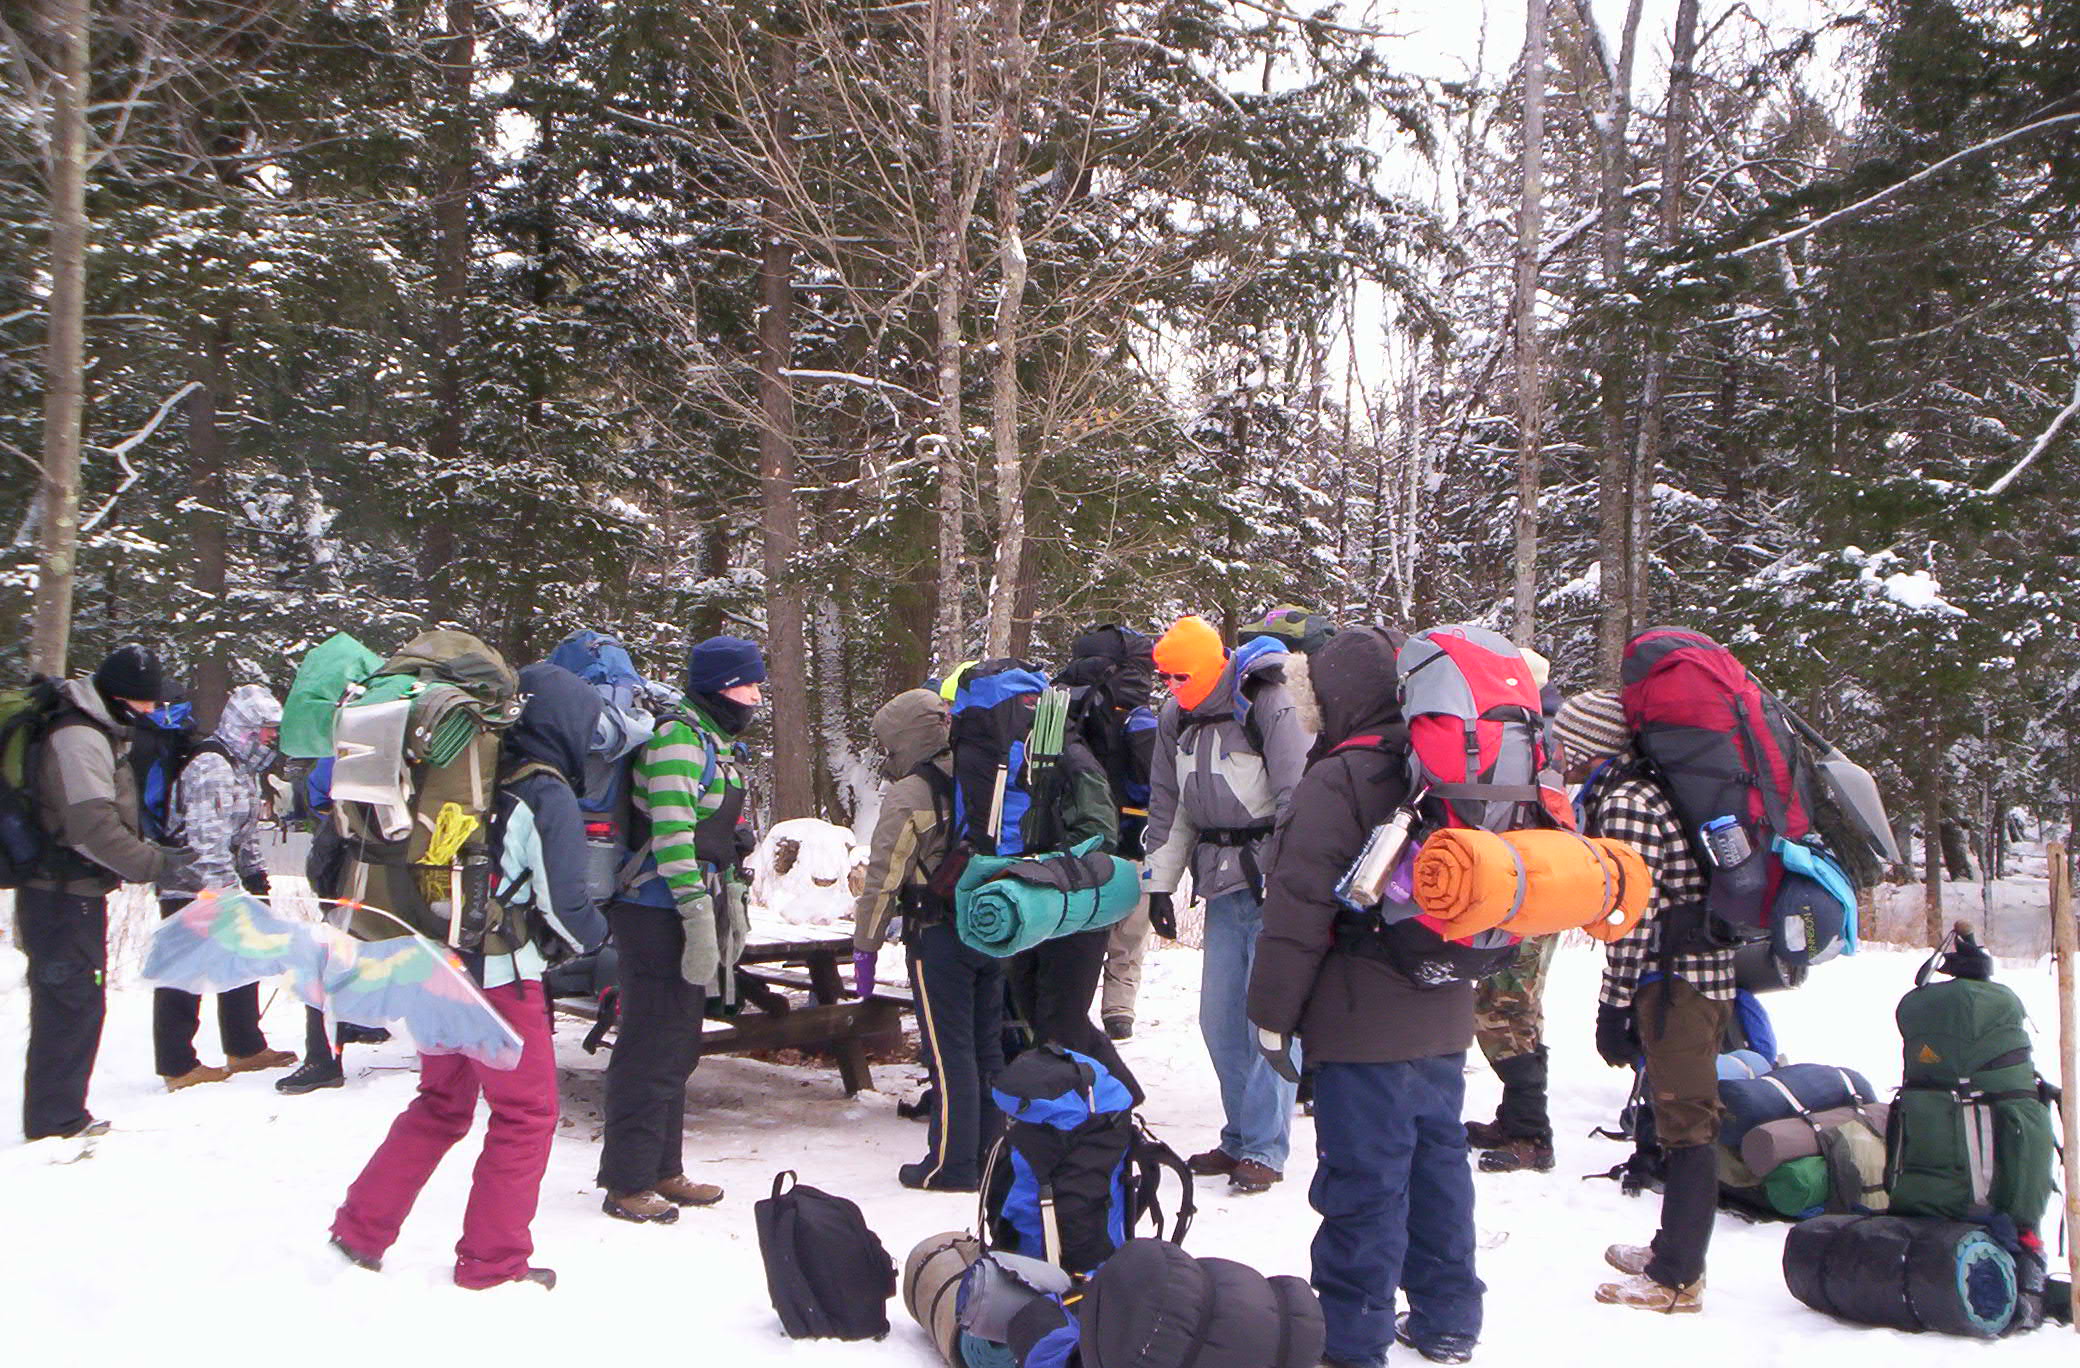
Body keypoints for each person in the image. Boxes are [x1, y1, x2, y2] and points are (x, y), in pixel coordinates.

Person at [329, 662, 609, 1290]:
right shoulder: (545, 791)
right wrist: (600, 939)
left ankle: (359, 1229)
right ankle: (493, 1262)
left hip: (435, 965)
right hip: (501, 976)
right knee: (525, 1116)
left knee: (440, 1103)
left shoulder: (468, 777)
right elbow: (567, 908)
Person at [1249, 627, 1484, 1367]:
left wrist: (1269, 1017)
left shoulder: (1342, 776)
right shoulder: (1434, 765)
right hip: (1444, 1005)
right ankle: (1449, 1319)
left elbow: (1295, 914)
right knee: (1439, 1164)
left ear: (1336, 695)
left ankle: (1353, 1341)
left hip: (1363, 1019)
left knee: (1364, 1181)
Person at [1557, 688, 1736, 1314]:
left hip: (1676, 983)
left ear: (1593, 746)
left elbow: (1630, 916)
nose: (1560, 753)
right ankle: (1670, 1252)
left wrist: (1614, 1004)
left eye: (1568, 742)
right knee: (1674, 1115)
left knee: (1689, 1125)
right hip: (1687, 978)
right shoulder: (1644, 789)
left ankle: (1679, 1279)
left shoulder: (1628, 803)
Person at [595, 634, 762, 1223]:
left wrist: (727, 898)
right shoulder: (676, 742)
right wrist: (695, 914)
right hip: (653, 912)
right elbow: (670, 839)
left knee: (678, 1044)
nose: (756, 697)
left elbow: (715, 834)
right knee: (649, 1042)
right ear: (719, 685)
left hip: (687, 907)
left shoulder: (710, 742)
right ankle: (626, 1180)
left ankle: (664, 1168)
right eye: (748, 684)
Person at [1144, 614, 1310, 1194]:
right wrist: (1158, 884)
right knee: (1219, 1020)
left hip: (1273, 880)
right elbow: (1169, 805)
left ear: (1210, 666)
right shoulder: (1175, 717)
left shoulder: (1266, 701)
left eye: (1179, 676)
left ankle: (1264, 1149)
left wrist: (1288, 878)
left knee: (1267, 1018)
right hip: (1220, 883)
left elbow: (1297, 794)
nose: (1170, 687)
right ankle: (1239, 1136)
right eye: (1164, 677)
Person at [19, 644, 187, 1140]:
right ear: (118, 698)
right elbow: (90, 826)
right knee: (70, 1003)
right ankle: (56, 1122)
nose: (154, 712)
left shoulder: (93, 729)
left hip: (71, 889)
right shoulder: (78, 736)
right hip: (60, 892)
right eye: (147, 703)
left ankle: (61, 1113)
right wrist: (155, 865)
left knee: (74, 1002)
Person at [852, 688, 1004, 1191]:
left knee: (948, 1051)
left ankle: (950, 1164)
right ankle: (991, 1155)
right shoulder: (988, 773)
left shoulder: (912, 792)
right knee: (986, 1048)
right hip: (995, 928)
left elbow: (884, 874)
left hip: (938, 934)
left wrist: (866, 945)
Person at [152, 684, 297, 1090]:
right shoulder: (212, 766)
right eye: (267, 728)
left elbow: (243, 832)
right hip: (189, 886)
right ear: (246, 726)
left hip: (223, 883)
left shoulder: (242, 767)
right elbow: (206, 840)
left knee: (242, 958)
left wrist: (254, 878)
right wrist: (227, 893)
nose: (273, 736)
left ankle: (245, 1047)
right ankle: (177, 1065)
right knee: (186, 972)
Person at [1464, 648, 1559, 1174]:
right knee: (1521, 1008)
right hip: (1539, 886)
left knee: (1501, 1011)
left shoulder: (1531, 742)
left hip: (1527, 891)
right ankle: (1518, 1119)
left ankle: (1531, 1135)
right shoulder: (1542, 736)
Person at [1056, 627, 1161, 1043]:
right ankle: (1119, 1007)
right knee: (1131, 926)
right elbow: (1154, 778)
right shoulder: (1139, 716)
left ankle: (1069, 1003)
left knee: (1081, 922)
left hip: (1074, 832)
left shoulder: (1064, 703)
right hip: (1133, 829)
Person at [276, 758, 390, 1096]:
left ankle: (322, 1061)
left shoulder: (346, 762)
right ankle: (364, 1021)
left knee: (325, 961)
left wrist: (325, 895)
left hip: (360, 882)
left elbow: (322, 859)